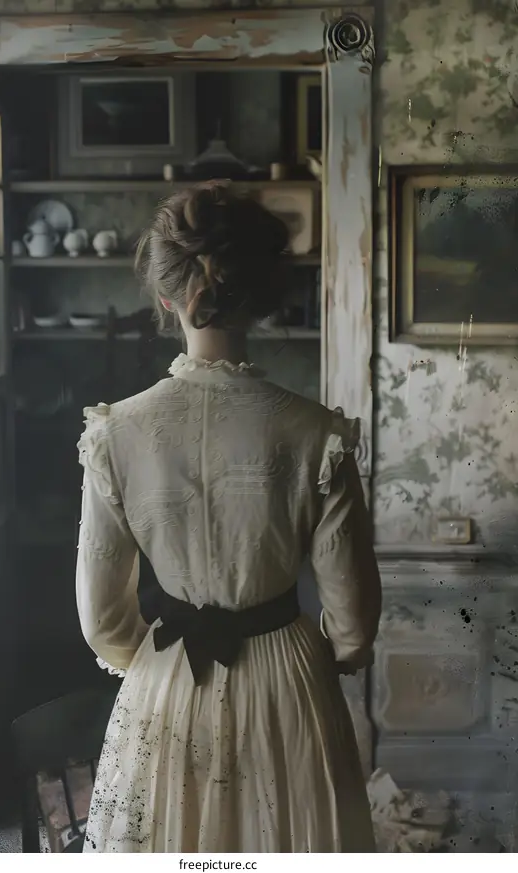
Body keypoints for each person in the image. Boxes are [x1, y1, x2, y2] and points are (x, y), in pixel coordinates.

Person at [76, 182, 381, 853]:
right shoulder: (318, 432)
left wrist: (155, 669)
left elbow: (102, 619)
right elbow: (354, 617)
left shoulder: (116, 433)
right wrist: (328, 658)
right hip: (289, 681)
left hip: (169, 676)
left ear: (165, 297)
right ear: (259, 298)